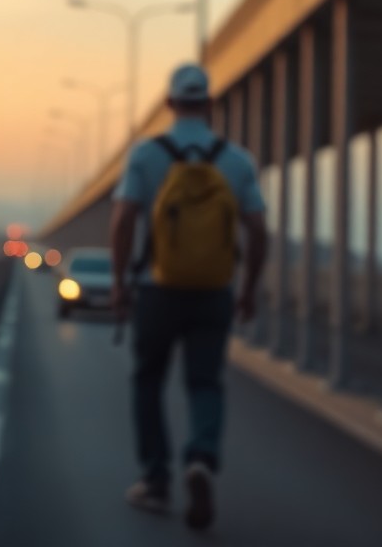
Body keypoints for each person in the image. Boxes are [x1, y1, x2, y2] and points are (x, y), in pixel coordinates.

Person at [109, 62, 269, 531]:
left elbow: (122, 222)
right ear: (211, 104)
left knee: (148, 381)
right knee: (205, 382)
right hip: (213, 293)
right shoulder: (236, 161)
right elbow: (258, 231)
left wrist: (120, 283)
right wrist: (248, 288)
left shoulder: (145, 155)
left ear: (169, 104)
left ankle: (155, 481)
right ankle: (200, 456)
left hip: (157, 290)